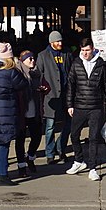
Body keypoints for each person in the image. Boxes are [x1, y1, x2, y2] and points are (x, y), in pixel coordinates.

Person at [65, 37, 106, 181]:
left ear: (93, 49)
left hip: (95, 107)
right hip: (79, 106)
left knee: (93, 138)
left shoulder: (101, 65)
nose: (85, 53)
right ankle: (78, 161)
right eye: (82, 50)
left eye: (87, 50)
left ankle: (93, 168)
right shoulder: (76, 63)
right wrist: (69, 105)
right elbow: (71, 85)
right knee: (74, 135)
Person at [0, 45, 30, 186]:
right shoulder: (11, 72)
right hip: (6, 112)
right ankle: (2, 175)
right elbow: (23, 83)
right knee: (4, 143)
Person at [38, 30, 72, 164]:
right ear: (51, 42)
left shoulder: (67, 53)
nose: (60, 43)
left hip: (66, 94)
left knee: (68, 124)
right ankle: (50, 153)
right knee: (50, 126)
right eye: (57, 41)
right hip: (50, 95)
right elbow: (39, 73)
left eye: (61, 41)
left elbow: (71, 71)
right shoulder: (43, 56)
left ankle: (61, 148)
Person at [14, 50, 49, 177]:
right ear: (22, 61)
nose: (33, 61)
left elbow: (46, 85)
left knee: (37, 136)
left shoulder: (37, 74)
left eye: (33, 58)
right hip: (21, 112)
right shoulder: (17, 73)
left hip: (35, 110)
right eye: (30, 59)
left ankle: (30, 157)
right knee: (20, 139)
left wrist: (44, 89)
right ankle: (21, 166)